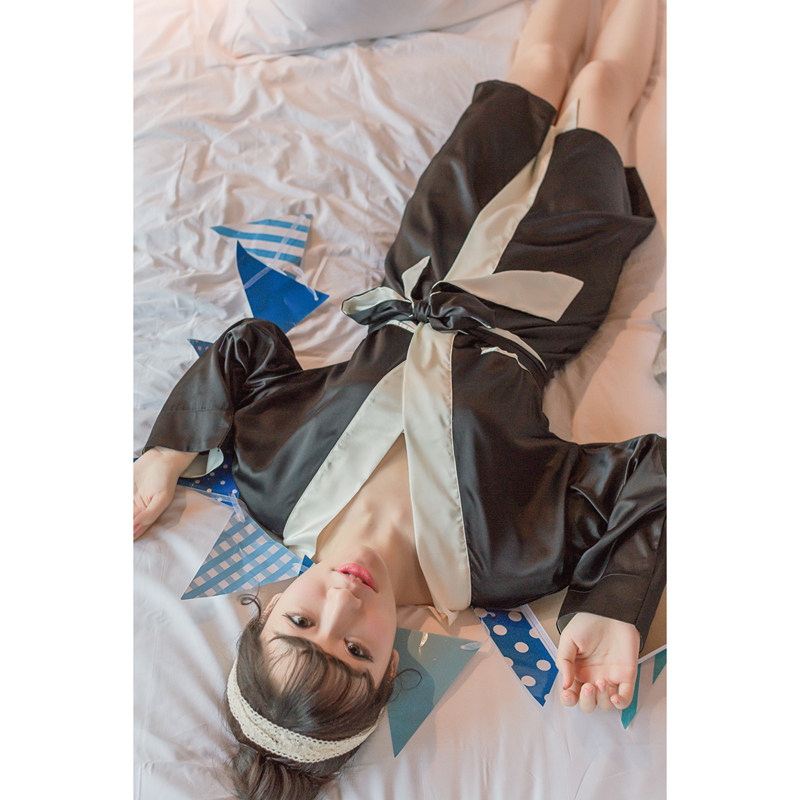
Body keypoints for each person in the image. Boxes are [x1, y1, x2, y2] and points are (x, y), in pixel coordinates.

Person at [133, 0, 665, 798]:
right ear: (392, 672)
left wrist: (166, 451)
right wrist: (614, 606)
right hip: (548, 285)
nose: (344, 603)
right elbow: (650, 476)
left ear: (264, 610)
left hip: (429, 250)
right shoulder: (505, 557)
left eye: (302, 622)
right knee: (603, 88)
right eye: (357, 650)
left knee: (538, 67)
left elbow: (249, 348)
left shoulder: (276, 483)